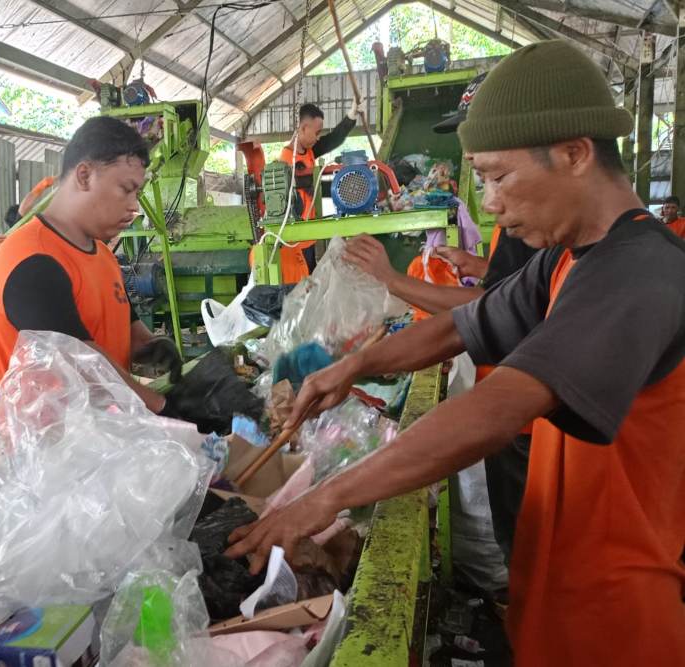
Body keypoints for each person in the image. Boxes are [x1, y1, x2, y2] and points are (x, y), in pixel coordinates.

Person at [228, 40, 685, 665]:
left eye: (499, 177)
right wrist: (354, 366)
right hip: (558, 588)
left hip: (623, 616)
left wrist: (324, 498)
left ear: (576, 153)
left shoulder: (639, 272)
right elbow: (462, 325)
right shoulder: (562, 261)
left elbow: (501, 404)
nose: (490, 201)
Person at [344, 70, 539, 565]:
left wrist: (392, 281)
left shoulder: (613, 269)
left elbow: (484, 313)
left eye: (494, 174)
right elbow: (502, 294)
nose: (489, 198)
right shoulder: (530, 233)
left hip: (524, 420)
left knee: (528, 547)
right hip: (514, 407)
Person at [0, 116, 180, 423]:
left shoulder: (102, 255)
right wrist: (163, 407)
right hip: (33, 454)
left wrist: (152, 347)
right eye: (125, 190)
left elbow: (125, 333)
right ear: (85, 175)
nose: (134, 207)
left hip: (89, 443)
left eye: (137, 194)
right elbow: (81, 365)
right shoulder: (32, 260)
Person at [276, 102, 359, 280]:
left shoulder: (309, 151)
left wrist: (351, 116)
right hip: (295, 242)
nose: (318, 137)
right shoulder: (285, 162)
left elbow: (333, 139)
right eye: (316, 132)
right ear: (304, 128)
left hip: (309, 236)